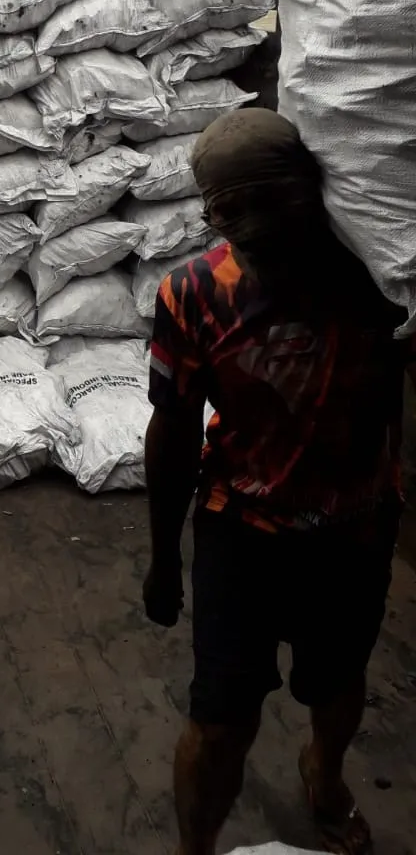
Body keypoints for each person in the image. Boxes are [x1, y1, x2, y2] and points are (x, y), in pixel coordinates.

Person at [142, 108, 406, 855]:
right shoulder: (192, 293)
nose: (252, 225)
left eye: (271, 199)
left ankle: (323, 774)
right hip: (241, 531)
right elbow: (173, 430)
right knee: (221, 715)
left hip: (356, 528)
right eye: (230, 208)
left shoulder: (376, 282)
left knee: (338, 683)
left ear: (313, 188)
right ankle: (197, 846)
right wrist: (165, 560)